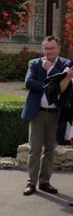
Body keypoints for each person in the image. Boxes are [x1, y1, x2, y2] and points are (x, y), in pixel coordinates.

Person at [21, 36, 70, 195]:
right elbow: (28, 82)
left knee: (50, 149)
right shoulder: (34, 63)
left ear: (58, 48)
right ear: (43, 49)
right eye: (46, 48)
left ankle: (45, 182)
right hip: (38, 112)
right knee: (34, 149)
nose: (49, 51)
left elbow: (66, 85)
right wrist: (51, 86)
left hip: (56, 113)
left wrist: (49, 69)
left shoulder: (65, 64)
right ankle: (31, 182)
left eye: (52, 48)